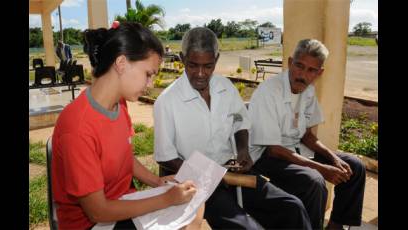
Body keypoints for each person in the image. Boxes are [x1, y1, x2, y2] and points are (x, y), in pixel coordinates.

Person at [153, 27, 312, 230]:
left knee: (292, 208)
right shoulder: (167, 101)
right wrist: (207, 175)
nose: (200, 74)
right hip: (198, 184)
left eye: (208, 66)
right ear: (183, 58)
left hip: (230, 171)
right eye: (193, 65)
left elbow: (240, 121)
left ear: (216, 59)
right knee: (246, 227)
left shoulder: (225, 87)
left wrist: (243, 150)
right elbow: (165, 156)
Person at [51, 22, 203, 230]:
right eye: (148, 74)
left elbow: (124, 156)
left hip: (122, 203)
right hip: (93, 223)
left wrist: (158, 183)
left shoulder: (119, 104)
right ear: (121, 63)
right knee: (187, 220)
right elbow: (98, 211)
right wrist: (166, 199)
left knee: (195, 203)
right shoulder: (78, 127)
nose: (150, 85)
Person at [248, 38, 366, 230]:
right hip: (265, 154)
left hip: (295, 149)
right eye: (299, 66)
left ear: (320, 73)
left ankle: (335, 226)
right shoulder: (268, 92)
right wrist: (320, 167)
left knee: (354, 166)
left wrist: (333, 158)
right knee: (314, 180)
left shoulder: (308, 91)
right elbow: (273, 149)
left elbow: (307, 135)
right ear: (289, 62)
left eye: (311, 70)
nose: (302, 75)